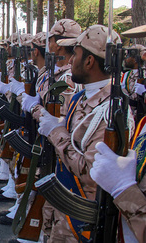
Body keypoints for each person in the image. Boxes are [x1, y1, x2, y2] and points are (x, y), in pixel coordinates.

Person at [36, 25, 129, 242]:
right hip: (64, 202)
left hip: (82, 218)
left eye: (75, 54)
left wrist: (55, 132)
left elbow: (90, 172)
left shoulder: (110, 112)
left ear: (89, 61)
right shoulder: (82, 98)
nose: (69, 61)